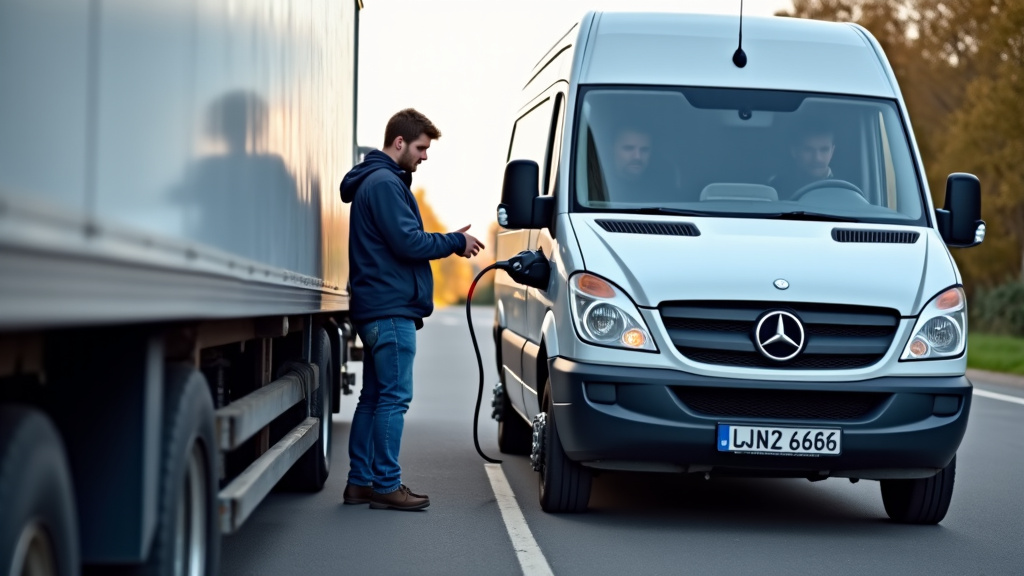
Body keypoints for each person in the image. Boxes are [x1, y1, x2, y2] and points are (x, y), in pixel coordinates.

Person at [338, 108, 484, 511]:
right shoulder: (385, 184)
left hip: (377, 308)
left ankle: (360, 482)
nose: (424, 156)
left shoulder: (376, 181)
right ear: (398, 142)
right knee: (393, 399)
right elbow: (409, 243)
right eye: (421, 148)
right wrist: (454, 241)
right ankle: (386, 484)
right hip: (389, 310)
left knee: (373, 397)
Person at [601, 124, 678, 200]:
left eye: (644, 150)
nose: (637, 156)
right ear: (612, 149)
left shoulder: (662, 189)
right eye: (629, 148)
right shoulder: (597, 185)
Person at [769, 122, 838, 199]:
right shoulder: (776, 187)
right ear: (794, 151)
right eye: (808, 150)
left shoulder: (846, 188)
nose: (817, 158)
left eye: (824, 150)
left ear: (832, 151)